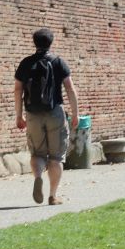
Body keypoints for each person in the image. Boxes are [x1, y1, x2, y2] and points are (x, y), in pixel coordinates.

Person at [14, 28, 79, 206]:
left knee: (37, 153)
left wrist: (19, 115)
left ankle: (37, 177)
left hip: (33, 114)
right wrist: (75, 113)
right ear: (51, 42)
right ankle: (52, 195)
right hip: (55, 112)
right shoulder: (58, 62)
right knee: (56, 157)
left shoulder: (26, 63)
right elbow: (70, 88)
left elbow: (18, 89)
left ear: (34, 42)